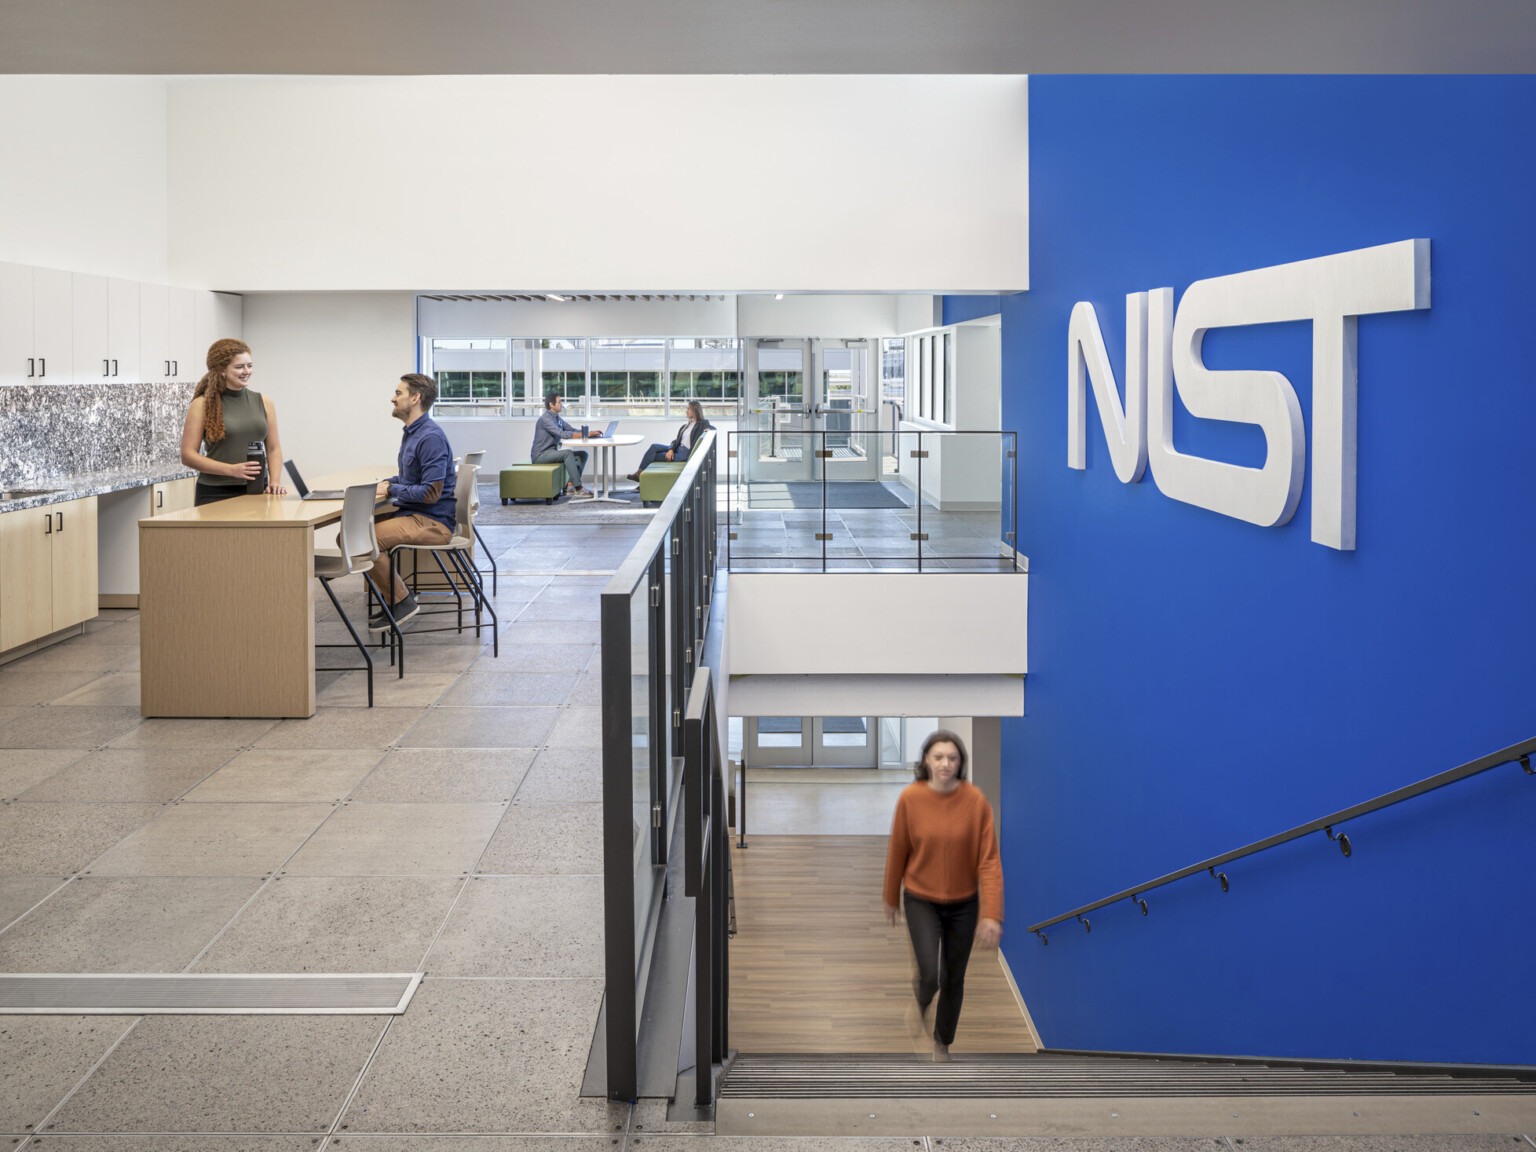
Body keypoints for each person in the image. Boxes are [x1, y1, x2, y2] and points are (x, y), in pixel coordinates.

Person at [881, 729, 1003, 1062]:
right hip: (920, 898)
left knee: (954, 977)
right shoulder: (911, 798)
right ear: (925, 761)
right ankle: (920, 1003)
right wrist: (890, 897)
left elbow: (989, 862)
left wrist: (991, 914)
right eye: (938, 757)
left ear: (961, 762)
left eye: (952, 757)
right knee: (930, 975)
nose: (945, 764)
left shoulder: (975, 801)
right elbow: (898, 851)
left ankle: (942, 1042)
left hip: (964, 904)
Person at [367, 373, 458, 629]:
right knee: (348, 537)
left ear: (415, 398)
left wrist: (393, 488)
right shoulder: (413, 433)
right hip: (414, 515)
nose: (392, 399)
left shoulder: (430, 437)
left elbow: (430, 493)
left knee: (359, 541)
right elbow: (412, 477)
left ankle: (402, 601)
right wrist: (387, 483)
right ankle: (395, 601)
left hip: (432, 522)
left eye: (398, 393)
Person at [180, 338, 288, 505]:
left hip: (258, 490)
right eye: (239, 367)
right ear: (222, 370)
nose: (247, 371)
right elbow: (188, 455)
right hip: (215, 492)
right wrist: (232, 470)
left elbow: (273, 448)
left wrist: (274, 481)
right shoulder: (201, 405)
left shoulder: (264, 402)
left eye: (249, 365)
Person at [627, 400, 713, 482]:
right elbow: (676, 441)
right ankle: (639, 475)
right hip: (677, 448)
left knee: (653, 456)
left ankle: (641, 479)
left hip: (683, 454)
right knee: (654, 447)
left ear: (695, 410)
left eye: (688, 409)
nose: (686, 411)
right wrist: (671, 450)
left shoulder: (702, 423)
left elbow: (712, 428)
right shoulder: (686, 426)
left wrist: (709, 430)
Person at [530, 393, 592, 497]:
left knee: (582, 454)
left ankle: (570, 487)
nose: (561, 404)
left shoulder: (557, 418)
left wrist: (588, 433)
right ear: (551, 404)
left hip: (551, 452)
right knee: (567, 453)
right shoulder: (545, 419)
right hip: (540, 455)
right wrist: (584, 435)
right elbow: (562, 434)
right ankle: (578, 488)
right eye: (559, 402)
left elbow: (571, 429)